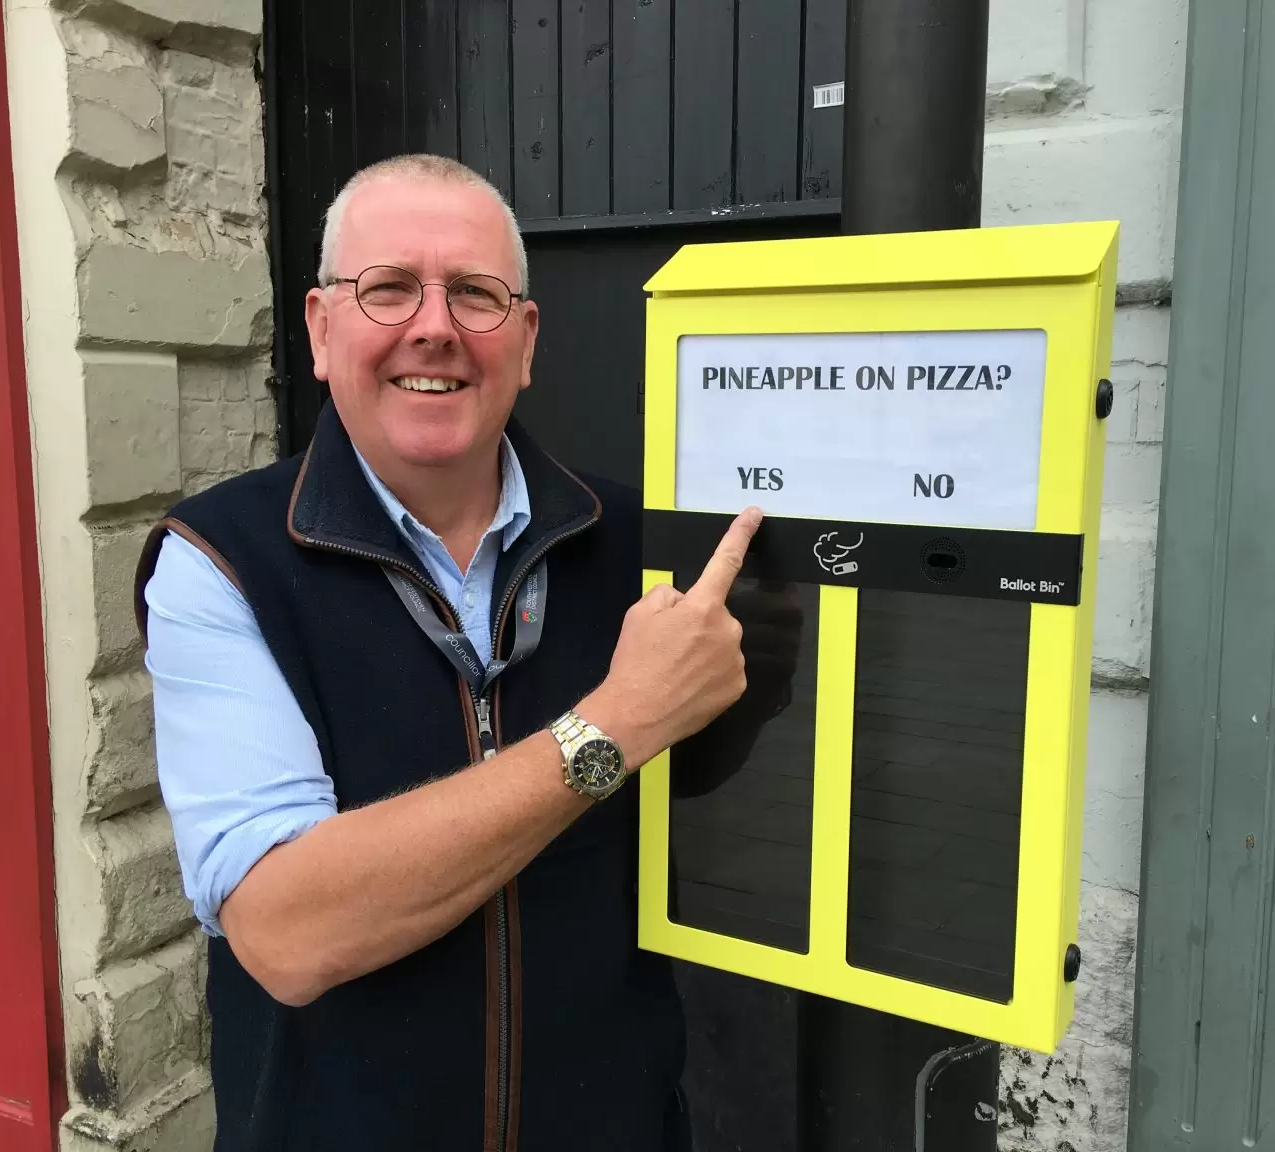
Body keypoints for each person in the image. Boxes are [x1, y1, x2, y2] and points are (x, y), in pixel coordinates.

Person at [133, 153, 794, 1151]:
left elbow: (682, 785)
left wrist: (751, 686)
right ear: (320, 328)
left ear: (525, 341)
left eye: (476, 294)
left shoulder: (634, 540)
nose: (434, 326)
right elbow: (286, 930)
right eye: (388, 287)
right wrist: (610, 724)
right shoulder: (220, 563)